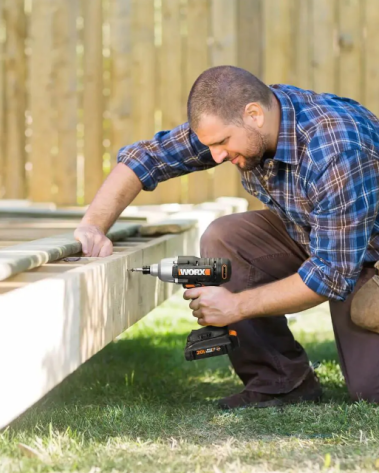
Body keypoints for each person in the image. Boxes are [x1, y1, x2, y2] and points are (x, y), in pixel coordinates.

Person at [74, 66, 379, 409]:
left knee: (370, 391)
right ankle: (281, 382)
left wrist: (235, 305)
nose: (216, 156)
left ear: (254, 115)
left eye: (221, 143)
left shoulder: (335, 148)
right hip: (324, 237)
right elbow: (146, 158)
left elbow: (331, 274)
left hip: (365, 254)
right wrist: (93, 226)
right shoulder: (241, 119)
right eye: (211, 145)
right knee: (226, 237)